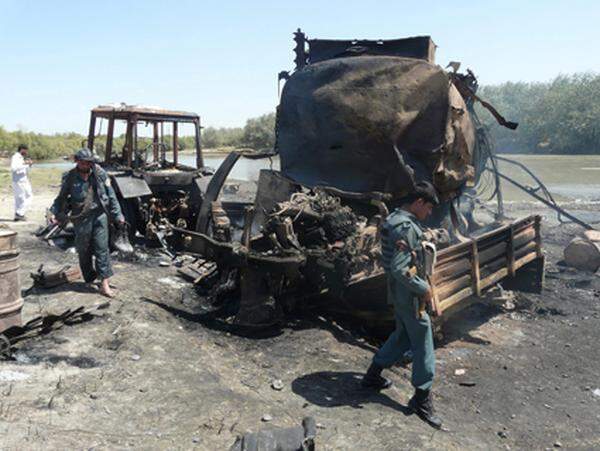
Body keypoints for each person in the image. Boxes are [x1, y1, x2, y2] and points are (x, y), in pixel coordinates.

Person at [361, 181, 442, 429]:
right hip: (409, 294)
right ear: (418, 202)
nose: (428, 214)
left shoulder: (396, 217)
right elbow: (399, 268)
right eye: (428, 208)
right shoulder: (405, 227)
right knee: (423, 339)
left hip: (398, 292)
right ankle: (421, 397)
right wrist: (424, 289)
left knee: (403, 335)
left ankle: (372, 376)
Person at [49, 148, 124, 297]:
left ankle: (104, 284)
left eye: (88, 162)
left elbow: (111, 195)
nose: (85, 165)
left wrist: (118, 215)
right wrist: (55, 213)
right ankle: (90, 277)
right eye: (82, 162)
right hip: (81, 218)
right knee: (83, 249)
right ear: (77, 161)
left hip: (99, 216)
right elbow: (61, 198)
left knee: (102, 248)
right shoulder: (69, 177)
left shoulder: (100, 173)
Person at [11, 144, 33, 221]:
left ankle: (18, 213)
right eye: (26, 150)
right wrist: (25, 164)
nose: (27, 152)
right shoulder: (16, 157)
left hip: (23, 180)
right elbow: (14, 168)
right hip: (19, 181)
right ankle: (19, 214)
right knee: (21, 198)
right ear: (22, 150)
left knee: (25, 197)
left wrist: (28, 165)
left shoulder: (21, 158)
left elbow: (23, 169)